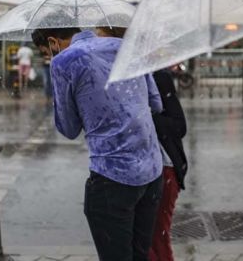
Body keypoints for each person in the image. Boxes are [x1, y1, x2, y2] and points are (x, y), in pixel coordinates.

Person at [31, 19, 163, 261]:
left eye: (45, 52)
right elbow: (156, 103)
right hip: (152, 172)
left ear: (52, 42)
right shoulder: (126, 47)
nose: (48, 57)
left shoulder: (64, 61)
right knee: (140, 255)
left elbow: (69, 129)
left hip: (112, 176)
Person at [95, 26, 188, 261]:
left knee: (154, 241)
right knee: (133, 243)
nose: (97, 42)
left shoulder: (157, 75)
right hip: (126, 170)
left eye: (101, 36)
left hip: (162, 167)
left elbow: (178, 126)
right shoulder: (110, 78)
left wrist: (144, 115)